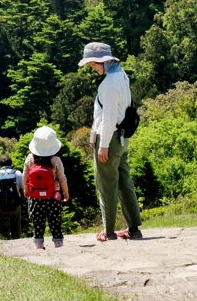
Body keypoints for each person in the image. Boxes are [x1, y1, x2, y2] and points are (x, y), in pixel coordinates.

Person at [80, 41, 143, 242]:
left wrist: (103, 145)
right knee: (125, 183)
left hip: (109, 138)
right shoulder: (121, 75)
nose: (92, 68)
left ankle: (108, 232)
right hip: (122, 138)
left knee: (106, 185)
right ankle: (134, 228)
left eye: (93, 64)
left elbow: (107, 118)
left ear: (102, 61)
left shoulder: (108, 84)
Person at [23, 126, 70, 249]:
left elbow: (25, 177)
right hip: (53, 195)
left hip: (35, 196)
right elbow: (62, 178)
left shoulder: (30, 158)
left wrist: (25, 190)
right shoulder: (56, 160)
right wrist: (66, 192)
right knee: (55, 221)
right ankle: (58, 244)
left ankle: (39, 245)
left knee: (38, 222)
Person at [0, 154, 23, 239]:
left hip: (0, 207)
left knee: (3, 230)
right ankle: (17, 241)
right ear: (11, 164)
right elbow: (24, 189)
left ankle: (7, 242)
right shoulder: (17, 173)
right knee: (16, 227)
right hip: (15, 205)